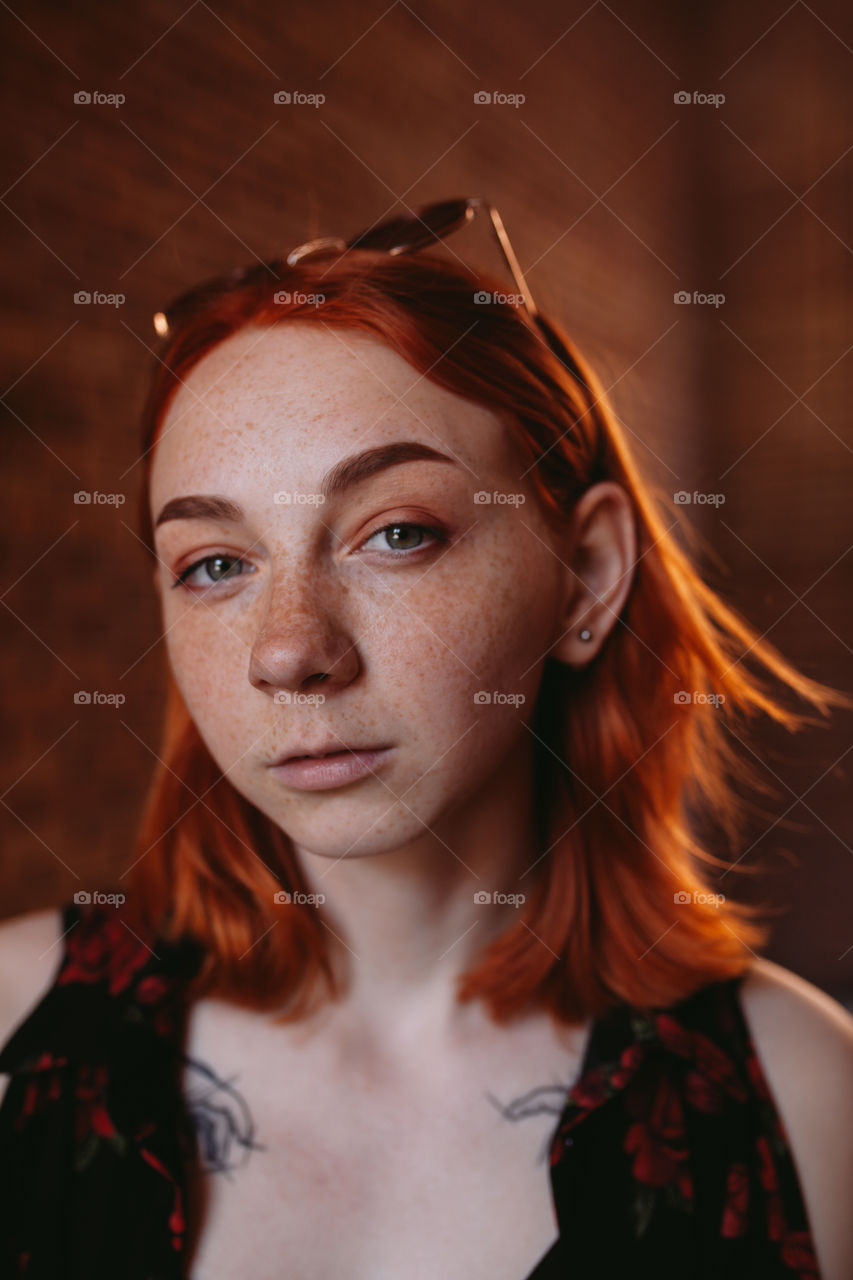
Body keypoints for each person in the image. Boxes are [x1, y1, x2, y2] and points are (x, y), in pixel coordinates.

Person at [1, 198, 852, 1280]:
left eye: (396, 533)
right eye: (215, 562)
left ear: (584, 576)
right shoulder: (12, 1031)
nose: (289, 651)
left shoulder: (807, 1099)